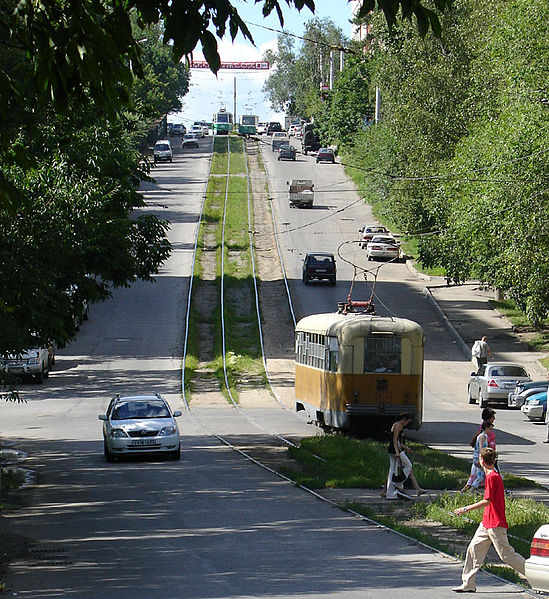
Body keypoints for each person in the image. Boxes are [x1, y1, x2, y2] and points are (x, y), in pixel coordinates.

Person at [452, 447, 525, 593]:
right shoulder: (491, 475)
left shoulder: (493, 477)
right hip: (486, 522)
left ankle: (536, 574)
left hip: (495, 523)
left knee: (507, 555)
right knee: (473, 549)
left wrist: (465, 508)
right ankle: (468, 583)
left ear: (482, 461)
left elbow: (487, 501)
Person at [385, 413, 425, 500]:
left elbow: (399, 441)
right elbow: (395, 440)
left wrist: (405, 447)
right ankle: (399, 483)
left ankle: (390, 493)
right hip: (396, 450)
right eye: (407, 422)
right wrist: (397, 452)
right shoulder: (398, 426)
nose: (407, 424)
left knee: (392, 470)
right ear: (404, 419)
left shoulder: (398, 425)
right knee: (408, 465)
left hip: (397, 449)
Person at [461, 420, 492, 492]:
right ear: (486, 428)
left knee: (472, 476)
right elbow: (481, 448)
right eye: (490, 429)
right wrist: (482, 457)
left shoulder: (483, 436)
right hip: (478, 457)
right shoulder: (483, 436)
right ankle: (472, 490)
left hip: (476, 457)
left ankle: (463, 491)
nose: (491, 430)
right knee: (480, 476)